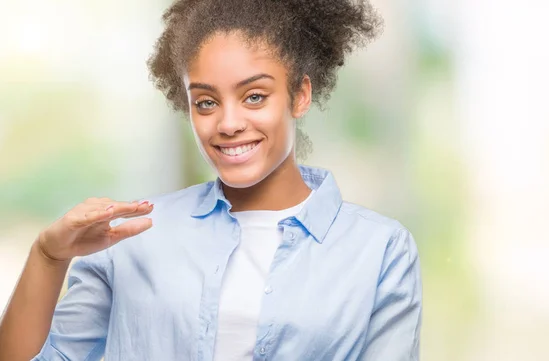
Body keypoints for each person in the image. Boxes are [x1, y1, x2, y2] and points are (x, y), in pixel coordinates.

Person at [0, 0, 422, 360]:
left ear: (300, 95)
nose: (229, 123)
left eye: (254, 96)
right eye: (205, 102)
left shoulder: (379, 250)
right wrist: (47, 257)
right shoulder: (133, 238)